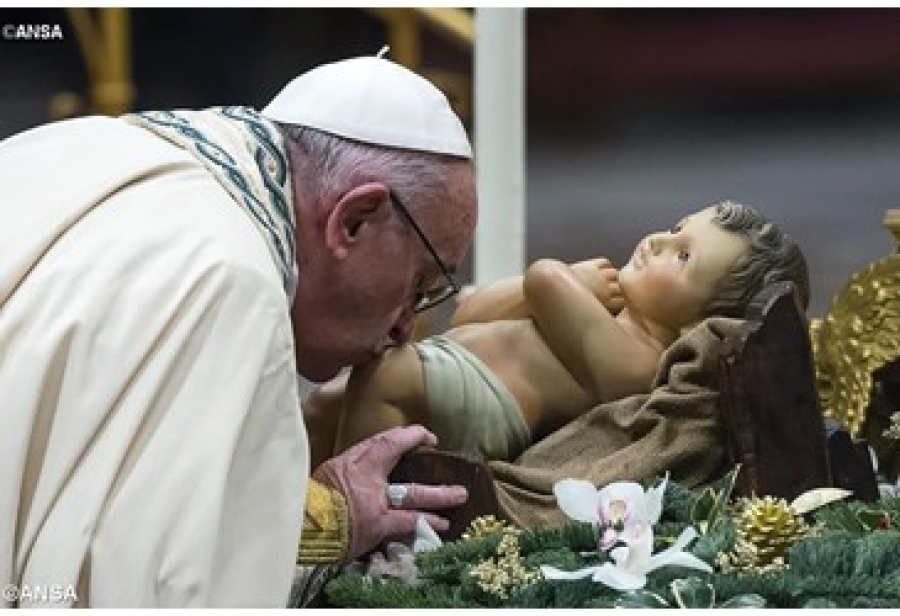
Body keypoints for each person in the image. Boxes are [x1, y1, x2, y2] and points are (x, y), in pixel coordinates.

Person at [0, 56, 476, 607]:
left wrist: (324, 516)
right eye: (418, 283)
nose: (404, 326)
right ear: (354, 219)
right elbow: (156, 586)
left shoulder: (84, 145)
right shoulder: (230, 282)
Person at [312, 200, 809, 466]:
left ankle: (351, 516)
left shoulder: (637, 361)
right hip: (445, 366)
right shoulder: (599, 303)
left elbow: (543, 278)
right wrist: (567, 285)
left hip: (483, 411)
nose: (658, 240)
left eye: (683, 257)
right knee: (324, 402)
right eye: (676, 227)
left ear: (702, 322)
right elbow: (468, 310)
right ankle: (285, 504)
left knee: (384, 373)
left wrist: (567, 276)